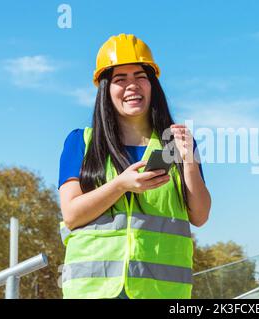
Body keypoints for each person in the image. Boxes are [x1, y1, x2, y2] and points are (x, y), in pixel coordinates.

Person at [58, 34, 211, 299]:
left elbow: (200, 215)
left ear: (152, 85)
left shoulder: (175, 142)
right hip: (93, 291)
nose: (132, 86)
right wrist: (120, 185)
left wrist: (189, 162)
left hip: (161, 290)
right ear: (105, 89)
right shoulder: (81, 142)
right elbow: (72, 215)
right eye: (120, 79)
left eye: (140, 76)